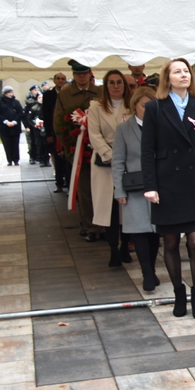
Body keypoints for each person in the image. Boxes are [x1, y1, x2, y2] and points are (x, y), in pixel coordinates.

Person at [141, 58, 195, 319]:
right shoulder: (155, 108)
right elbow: (147, 150)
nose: (184, 75)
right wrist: (150, 185)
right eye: (177, 71)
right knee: (170, 242)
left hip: (194, 183)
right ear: (166, 78)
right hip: (167, 183)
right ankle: (179, 294)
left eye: (186, 71)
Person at [113, 87, 161, 291]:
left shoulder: (162, 125)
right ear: (134, 106)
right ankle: (147, 273)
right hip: (135, 189)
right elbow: (118, 161)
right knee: (139, 232)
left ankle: (151, 269)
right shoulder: (124, 129)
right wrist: (119, 191)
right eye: (144, 105)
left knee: (155, 233)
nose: (148, 109)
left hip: (159, 186)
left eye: (151, 105)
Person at [87, 70, 133, 268]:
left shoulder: (131, 106)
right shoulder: (96, 107)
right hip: (105, 163)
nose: (116, 86)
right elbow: (94, 134)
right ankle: (113, 249)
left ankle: (125, 247)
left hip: (129, 161)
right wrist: (111, 155)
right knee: (110, 209)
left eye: (119, 83)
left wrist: (123, 156)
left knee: (128, 207)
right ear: (106, 85)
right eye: (112, 83)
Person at [55, 60, 102, 240]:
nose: (81, 77)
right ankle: (90, 226)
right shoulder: (65, 94)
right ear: (73, 75)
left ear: (90, 73)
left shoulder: (100, 92)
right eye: (77, 74)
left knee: (102, 190)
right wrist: (67, 147)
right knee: (84, 190)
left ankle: (104, 226)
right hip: (78, 148)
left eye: (84, 73)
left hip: (100, 147)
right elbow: (58, 121)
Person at [42, 72, 69, 192]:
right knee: (57, 159)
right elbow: (46, 115)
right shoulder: (48, 95)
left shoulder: (69, 94)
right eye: (58, 78)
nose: (60, 80)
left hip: (68, 130)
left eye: (63, 79)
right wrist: (49, 133)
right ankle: (59, 184)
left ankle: (69, 184)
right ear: (54, 80)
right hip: (54, 131)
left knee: (68, 160)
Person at [0, 86, 26, 166]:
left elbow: (20, 112)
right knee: (7, 144)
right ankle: (9, 159)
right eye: (8, 92)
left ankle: (16, 159)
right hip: (4, 127)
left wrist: (15, 121)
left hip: (15, 126)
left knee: (15, 144)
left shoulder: (16, 102)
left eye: (11, 92)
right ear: (5, 93)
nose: (10, 94)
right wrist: (6, 121)